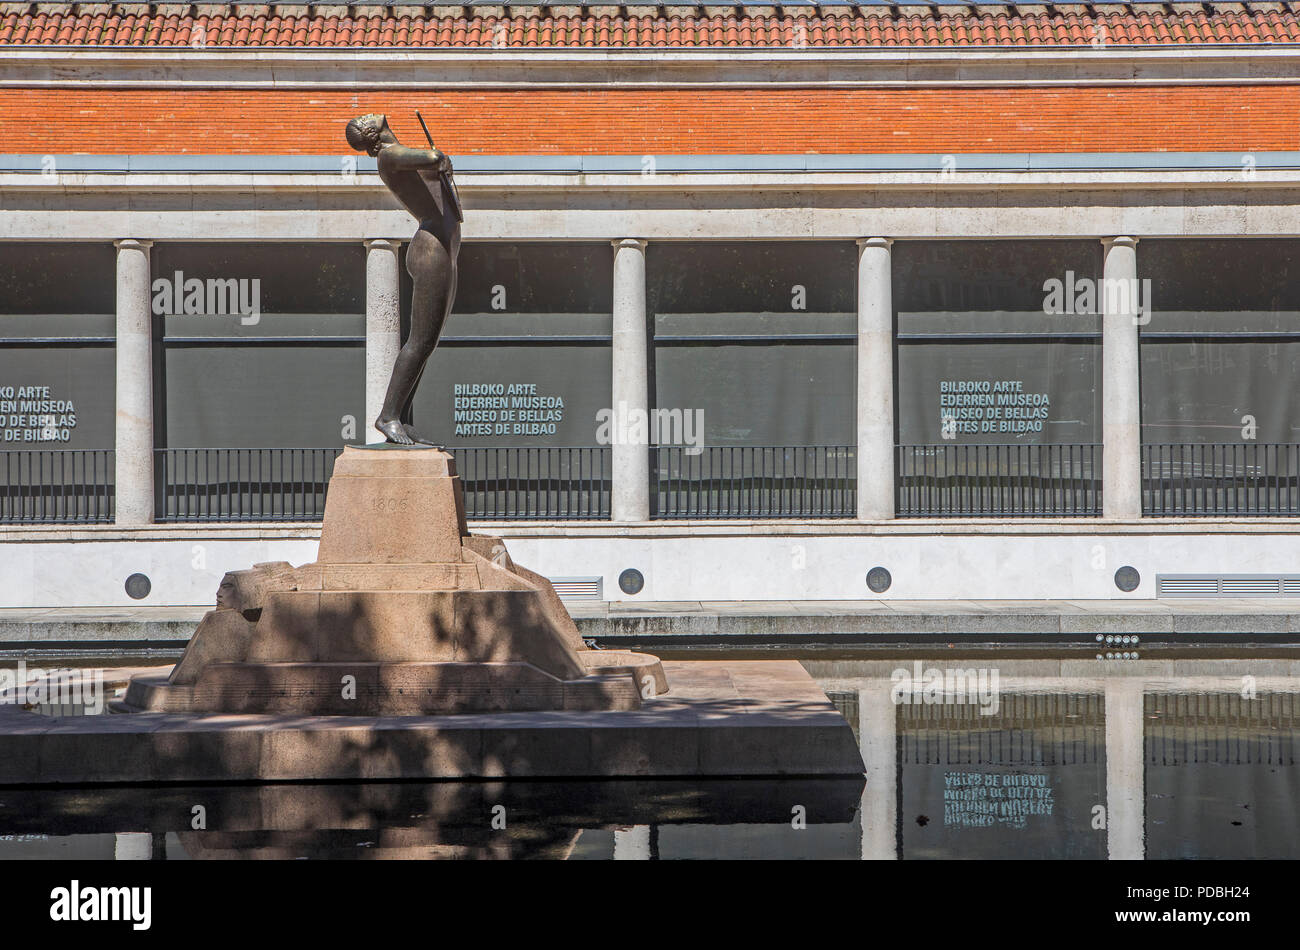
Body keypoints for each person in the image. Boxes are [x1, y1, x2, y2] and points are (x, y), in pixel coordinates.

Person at [345, 113, 462, 445]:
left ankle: (401, 415)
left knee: (427, 343)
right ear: (372, 133)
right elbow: (434, 156)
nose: (371, 113)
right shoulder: (389, 155)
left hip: (443, 248)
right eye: (364, 118)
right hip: (431, 251)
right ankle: (388, 416)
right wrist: (439, 160)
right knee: (420, 341)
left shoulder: (396, 155)